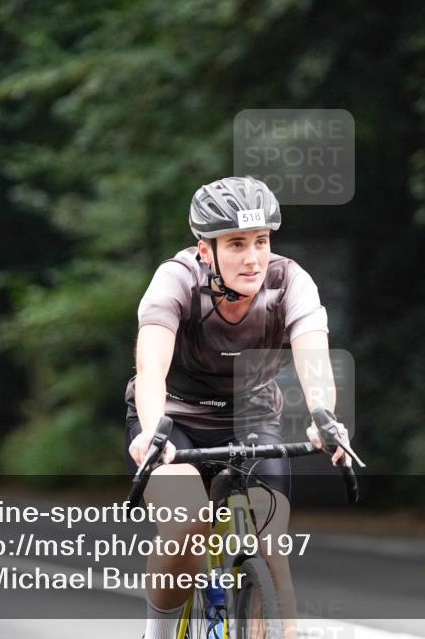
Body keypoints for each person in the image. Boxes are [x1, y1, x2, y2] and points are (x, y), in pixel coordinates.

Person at [125, 176, 351, 639]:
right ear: (205, 250)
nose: (252, 258)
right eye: (236, 244)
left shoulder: (291, 282)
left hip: (252, 418)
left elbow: (314, 357)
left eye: (261, 241)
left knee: (271, 545)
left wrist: (323, 416)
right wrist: (151, 432)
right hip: (173, 420)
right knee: (188, 521)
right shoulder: (176, 279)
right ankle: (158, 633)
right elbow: (150, 368)